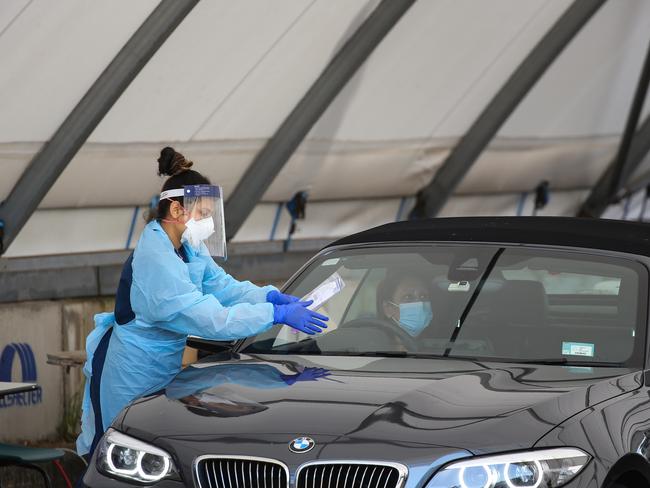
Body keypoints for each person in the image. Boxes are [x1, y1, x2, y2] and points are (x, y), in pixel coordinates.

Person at [76, 147, 328, 459]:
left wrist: (268, 295)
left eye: (210, 215)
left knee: (152, 451)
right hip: (131, 369)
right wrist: (273, 314)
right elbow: (208, 318)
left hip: (161, 365)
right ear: (176, 210)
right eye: (203, 215)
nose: (208, 223)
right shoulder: (155, 256)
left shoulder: (187, 246)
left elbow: (221, 286)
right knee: (118, 450)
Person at [377, 269, 433, 338]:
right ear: (388, 308)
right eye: (408, 297)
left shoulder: (445, 342)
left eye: (423, 296)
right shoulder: (372, 345)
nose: (419, 303)